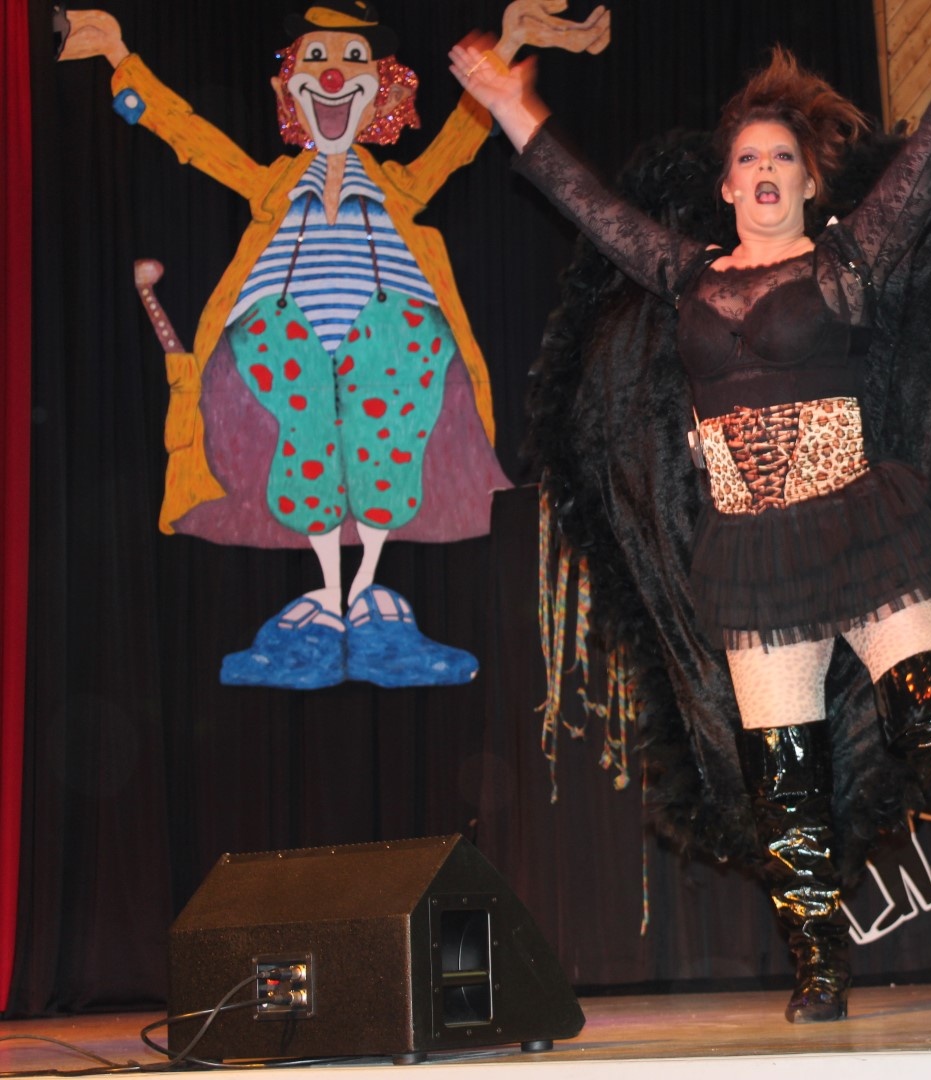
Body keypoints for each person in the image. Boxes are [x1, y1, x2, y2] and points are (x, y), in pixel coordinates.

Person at [451, 0, 931, 1024]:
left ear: (809, 182)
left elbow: (930, 156)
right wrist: (513, 107)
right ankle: (818, 961)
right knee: (784, 769)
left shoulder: (846, 262)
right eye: (748, 159)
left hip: (856, 526)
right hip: (754, 553)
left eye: (783, 157)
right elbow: (588, 206)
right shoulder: (684, 274)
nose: (765, 170)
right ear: (727, 186)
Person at [55, 1, 607, 688]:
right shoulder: (273, 187)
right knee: (308, 426)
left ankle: (362, 599)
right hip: (281, 330)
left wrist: (513, 37)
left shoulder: (398, 187)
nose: (334, 76)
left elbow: (463, 138)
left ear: (380, 91)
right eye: (315, 60)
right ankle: (327, 602)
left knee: (388, 400)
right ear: (290, 87)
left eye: (353, 62)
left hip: (392, 330)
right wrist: (118, 58)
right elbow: (190, 137)